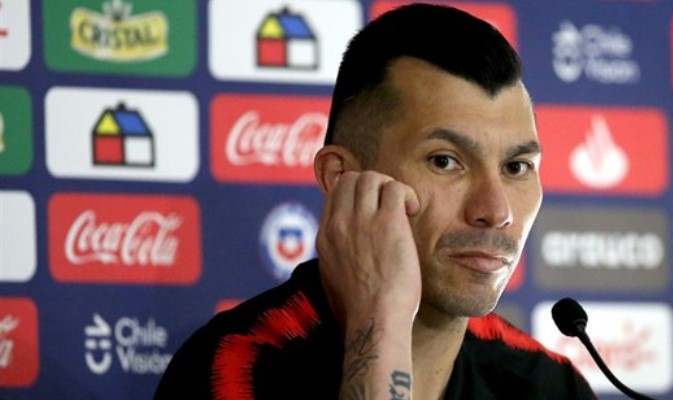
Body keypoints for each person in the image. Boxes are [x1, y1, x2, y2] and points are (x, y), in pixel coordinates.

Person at [155, 3, 595, 399]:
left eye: (516, 167)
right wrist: (381, 322)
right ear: (341, 178)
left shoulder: (550, 386)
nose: (496, 212)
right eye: (445, 161)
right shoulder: (236, 368)